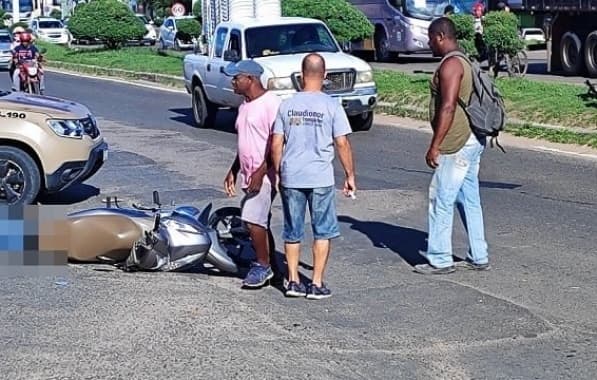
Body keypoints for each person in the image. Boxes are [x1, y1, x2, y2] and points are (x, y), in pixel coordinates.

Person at [270, 53, 356, 300]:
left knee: (292, 230)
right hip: (320, 177)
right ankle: (316, 283)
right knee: (323, 231)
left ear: (301, 75)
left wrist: (278, 171)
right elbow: (342, 143)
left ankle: (293, 281)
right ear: (325, 76)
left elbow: (277, 143)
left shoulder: (287, 105)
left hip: (292, 176)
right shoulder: (332, 105)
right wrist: (350, 174)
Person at [414, 17, 490, 275]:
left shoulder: (451, 65)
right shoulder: (464, 59)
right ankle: (479, 255)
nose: (428, 42)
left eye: (430, 38)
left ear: (440, 36)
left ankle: (439, 259)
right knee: (468, 197)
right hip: (472, 139)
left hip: (456, 142)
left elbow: (447, 107)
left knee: (441, 198)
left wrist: (435, 145)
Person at [222, 59, 283, 288]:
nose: (233, 82)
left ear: (251, 79)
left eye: (236, 78)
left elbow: (276, 143)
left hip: (266, 173)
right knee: (260, 221)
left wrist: (261, 171)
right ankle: (273, 267)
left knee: (251, 218)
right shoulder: (245, 105)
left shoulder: (272, 104)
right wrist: (234, 169)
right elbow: (245, 141)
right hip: (249, 172)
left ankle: (262, 266)